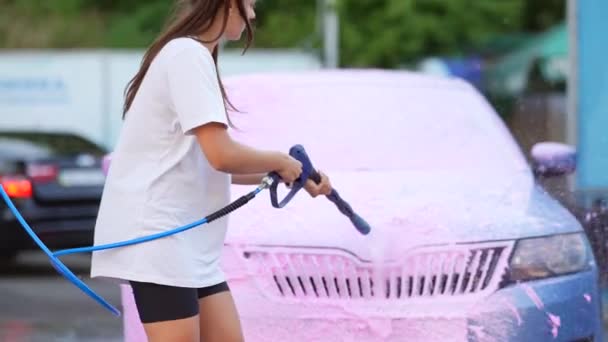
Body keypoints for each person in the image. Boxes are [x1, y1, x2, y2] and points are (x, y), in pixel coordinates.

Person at [90, 0, 332, 341]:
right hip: (160, 237)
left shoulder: (190, 55)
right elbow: (221, 155)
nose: (252, 14)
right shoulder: (187, 56)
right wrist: (279, 160)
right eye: (249, 3)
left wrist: (296, 174)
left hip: (188, 246)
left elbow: (210, 163)